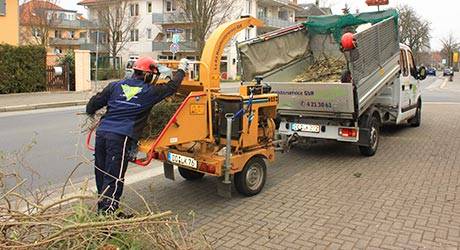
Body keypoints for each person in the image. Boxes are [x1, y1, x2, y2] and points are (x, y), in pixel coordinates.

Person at [86, 57, 189, 216]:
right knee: (114, 177)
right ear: (148, 75)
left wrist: (91, 112)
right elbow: (172, 87)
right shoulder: (149, 92)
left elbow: (93, 104)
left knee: (101, 173)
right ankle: (109, 221)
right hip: (121, 137)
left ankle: (104, 211)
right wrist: (181, 70)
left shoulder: (116, 86)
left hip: (102, 134)